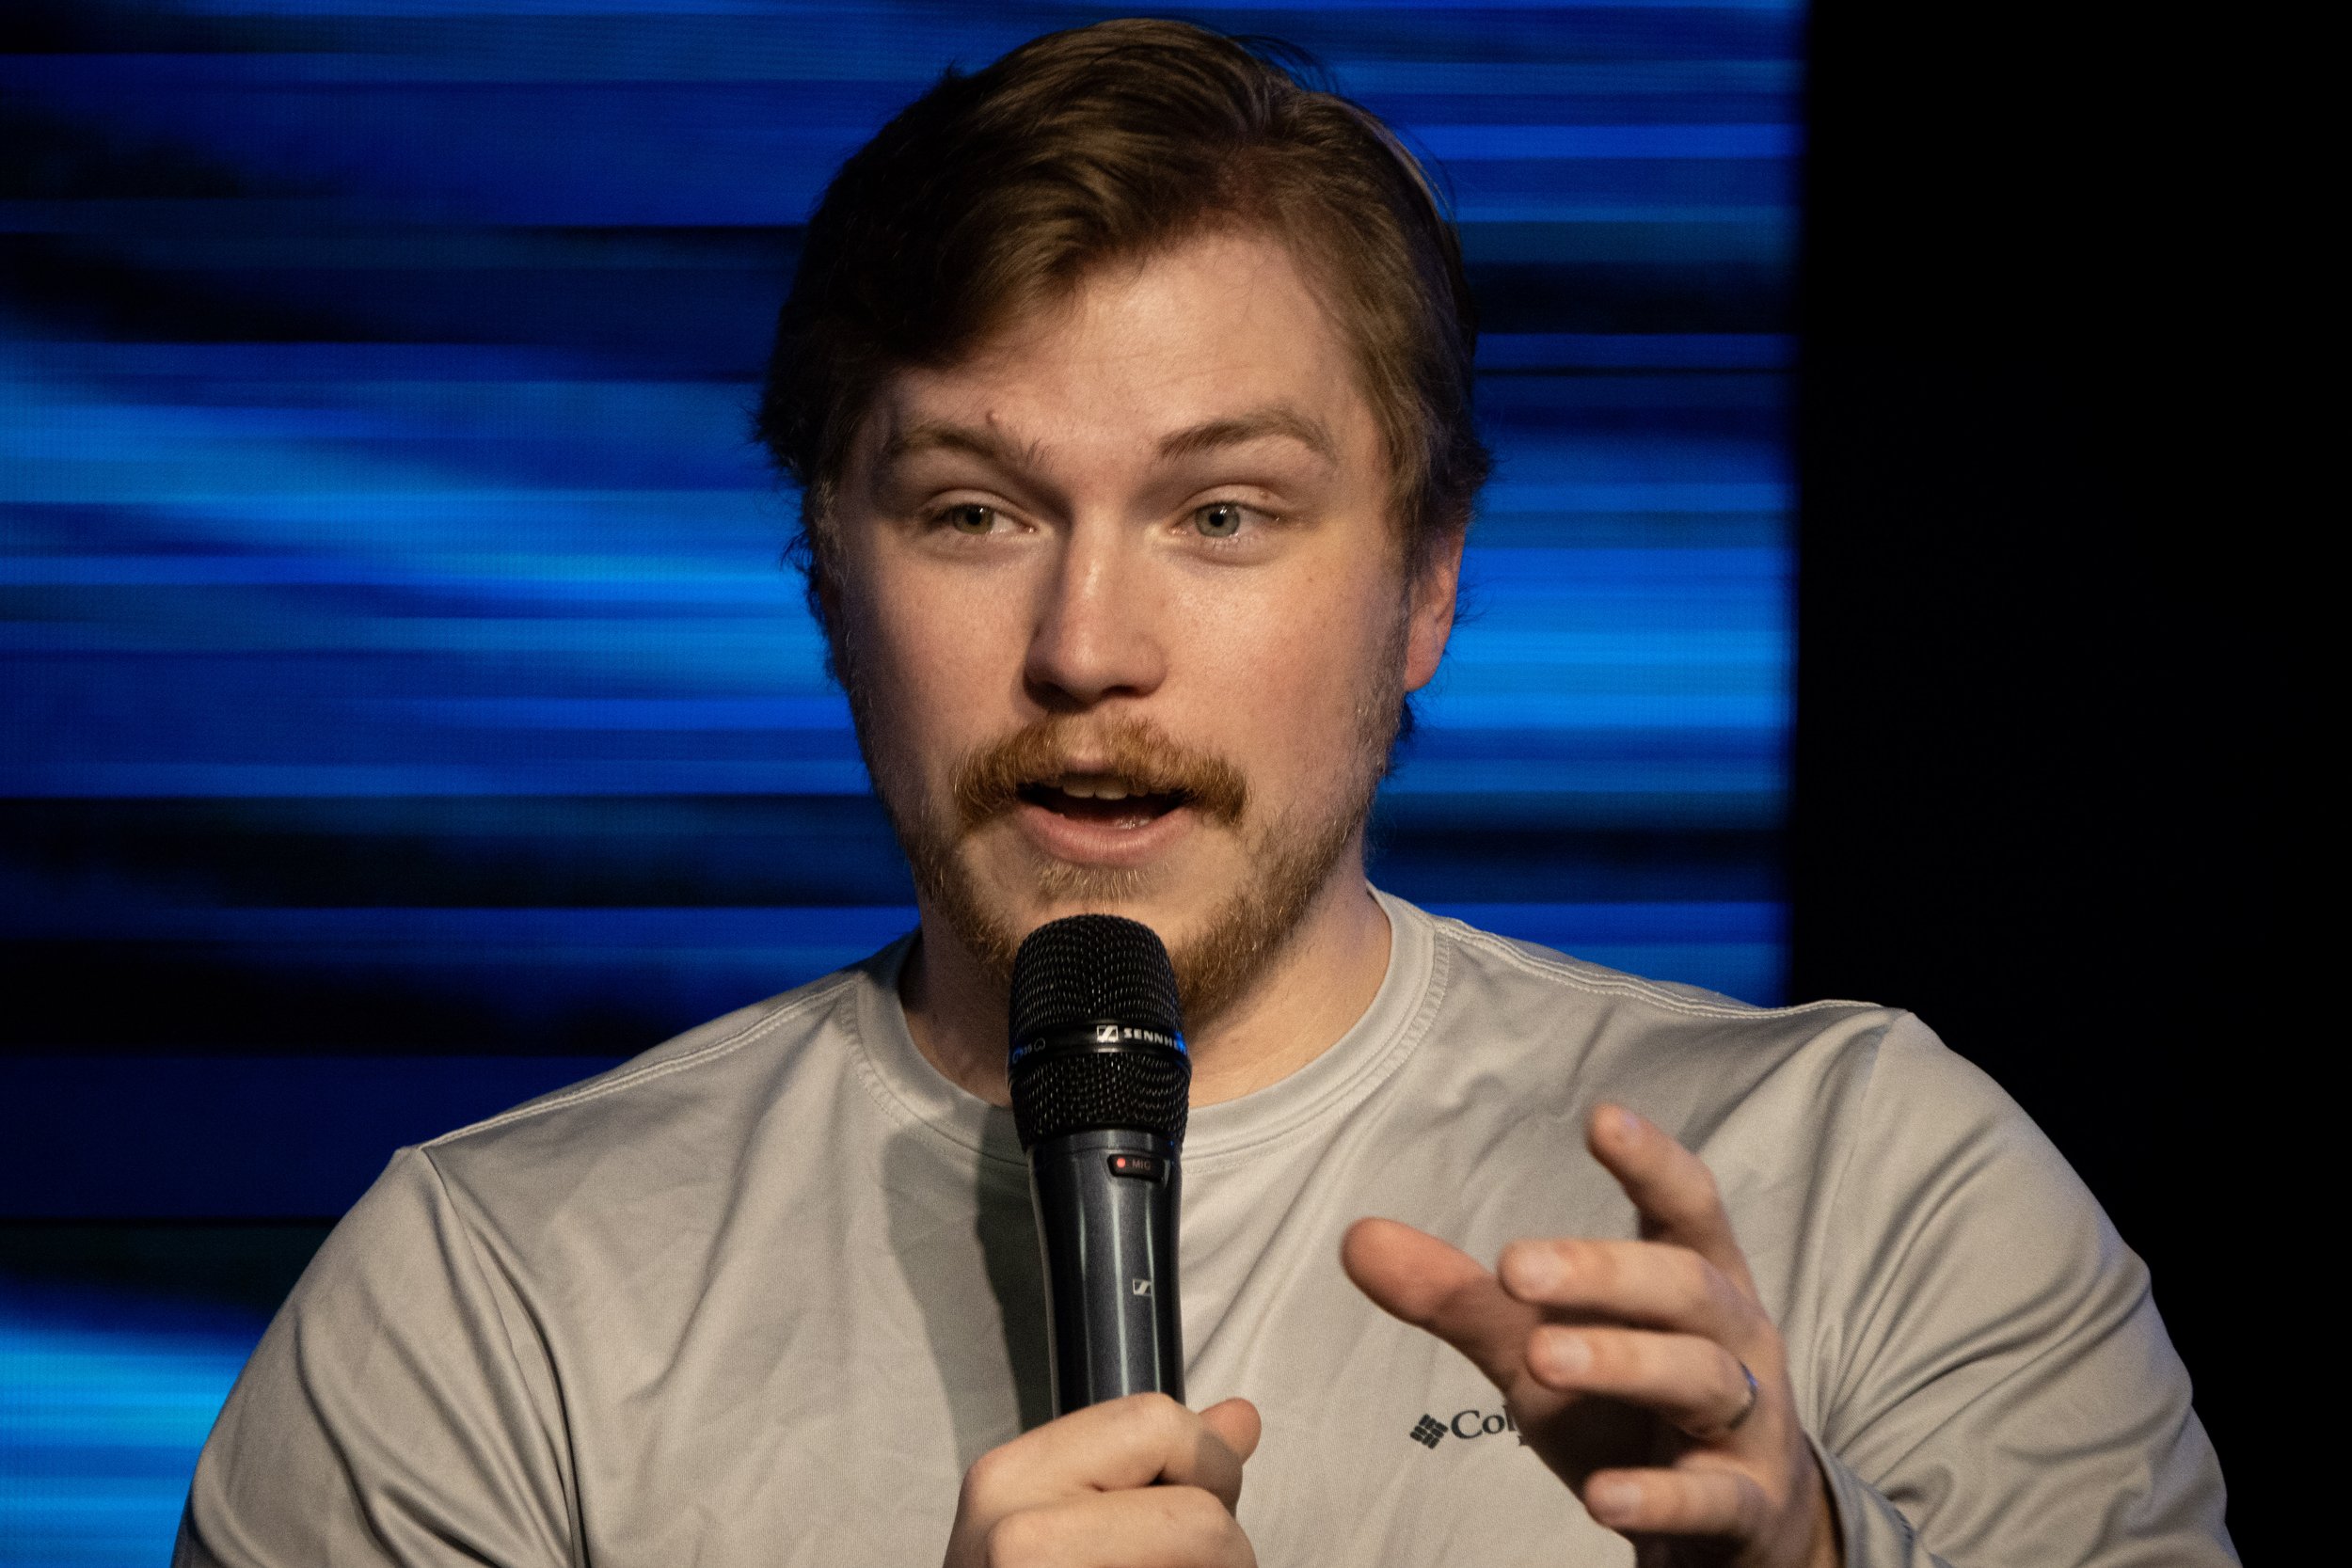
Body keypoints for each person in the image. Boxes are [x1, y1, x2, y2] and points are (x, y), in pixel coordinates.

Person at [175, 21, 2233, 1567]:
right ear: (827, 579)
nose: (1088, 646)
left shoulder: (1867, 1188)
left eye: (1222, 512)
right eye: (973, 511)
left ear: (1423, 585)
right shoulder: (491, 1296)